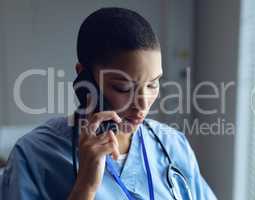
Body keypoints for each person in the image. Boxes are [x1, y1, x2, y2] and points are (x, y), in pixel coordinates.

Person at [0, 7, 217, 200]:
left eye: (153, 84)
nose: (142, 105)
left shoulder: (173, 145)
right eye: (123, 88)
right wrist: (85, 187)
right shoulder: (34, 156)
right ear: (85, 78)